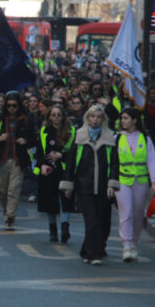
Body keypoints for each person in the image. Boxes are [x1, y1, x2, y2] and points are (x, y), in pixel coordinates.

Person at [60, 105, 119, 266]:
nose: (96, 120)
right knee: (91, 220)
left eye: (99, 117)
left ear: (103, 119)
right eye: (93, 116)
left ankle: (85, 250)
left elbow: (114, 163)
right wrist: (68, 185)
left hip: (102, 186)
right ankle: (94, 254)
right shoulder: (79, 136)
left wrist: (112, 183)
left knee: (100, 221)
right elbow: (71, 162)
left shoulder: (109, 137)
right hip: (83, 185)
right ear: (88, 118)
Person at [115, 108, 155, 262]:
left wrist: (153, 181)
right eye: (122, 118)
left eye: (126, 118)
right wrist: (110, 182)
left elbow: (151, 160)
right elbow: (113, 163)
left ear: (134, 120)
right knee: (126, 212)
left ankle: (134, 243)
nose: (123, 121)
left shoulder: (145, 138)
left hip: (141, 182)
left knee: (138, 214)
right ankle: (126, 245)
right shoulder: (117, 138)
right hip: (123, 181)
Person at [33, 105, 75, 243]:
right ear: (49, 117)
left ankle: (64, 228)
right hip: (49, 169)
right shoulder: (44, 131)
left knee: (65, 199)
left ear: (63, 116)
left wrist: (61, 156)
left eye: (59, 115)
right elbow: (39, 151)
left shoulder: (71, 131)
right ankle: (52, 230)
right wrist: (42, 165)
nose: (56, 117)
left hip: (65, 170)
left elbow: (75, 152)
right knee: (50, 201)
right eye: (53, 115)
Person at [0, 92, 33, 231]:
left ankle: (10, 216)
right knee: (1, 191)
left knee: (13, 191)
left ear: (19, 105)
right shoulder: (0, 119)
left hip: (17, 160)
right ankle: (7, 210)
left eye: (14, 105)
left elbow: (34, 138)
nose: (11, 108)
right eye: (8, 105)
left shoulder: (26, 120)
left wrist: (26, 141)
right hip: (2, 159)